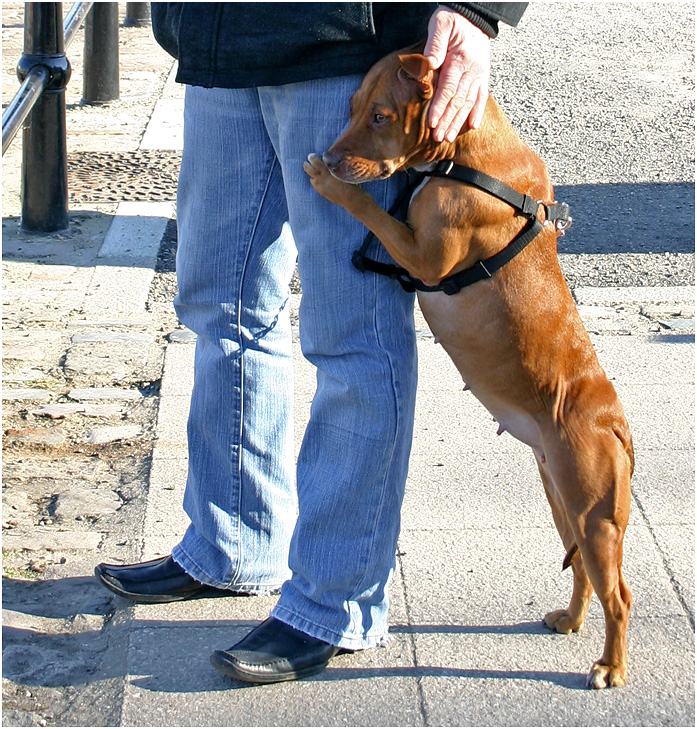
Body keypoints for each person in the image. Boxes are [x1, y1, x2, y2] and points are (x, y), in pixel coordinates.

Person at [95, 2, 527, 683]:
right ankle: (231, 542)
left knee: (352, 331)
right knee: (220, 303)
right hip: (216, 37)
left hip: (345, 44)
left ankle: (332, 601)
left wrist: (477, 11)